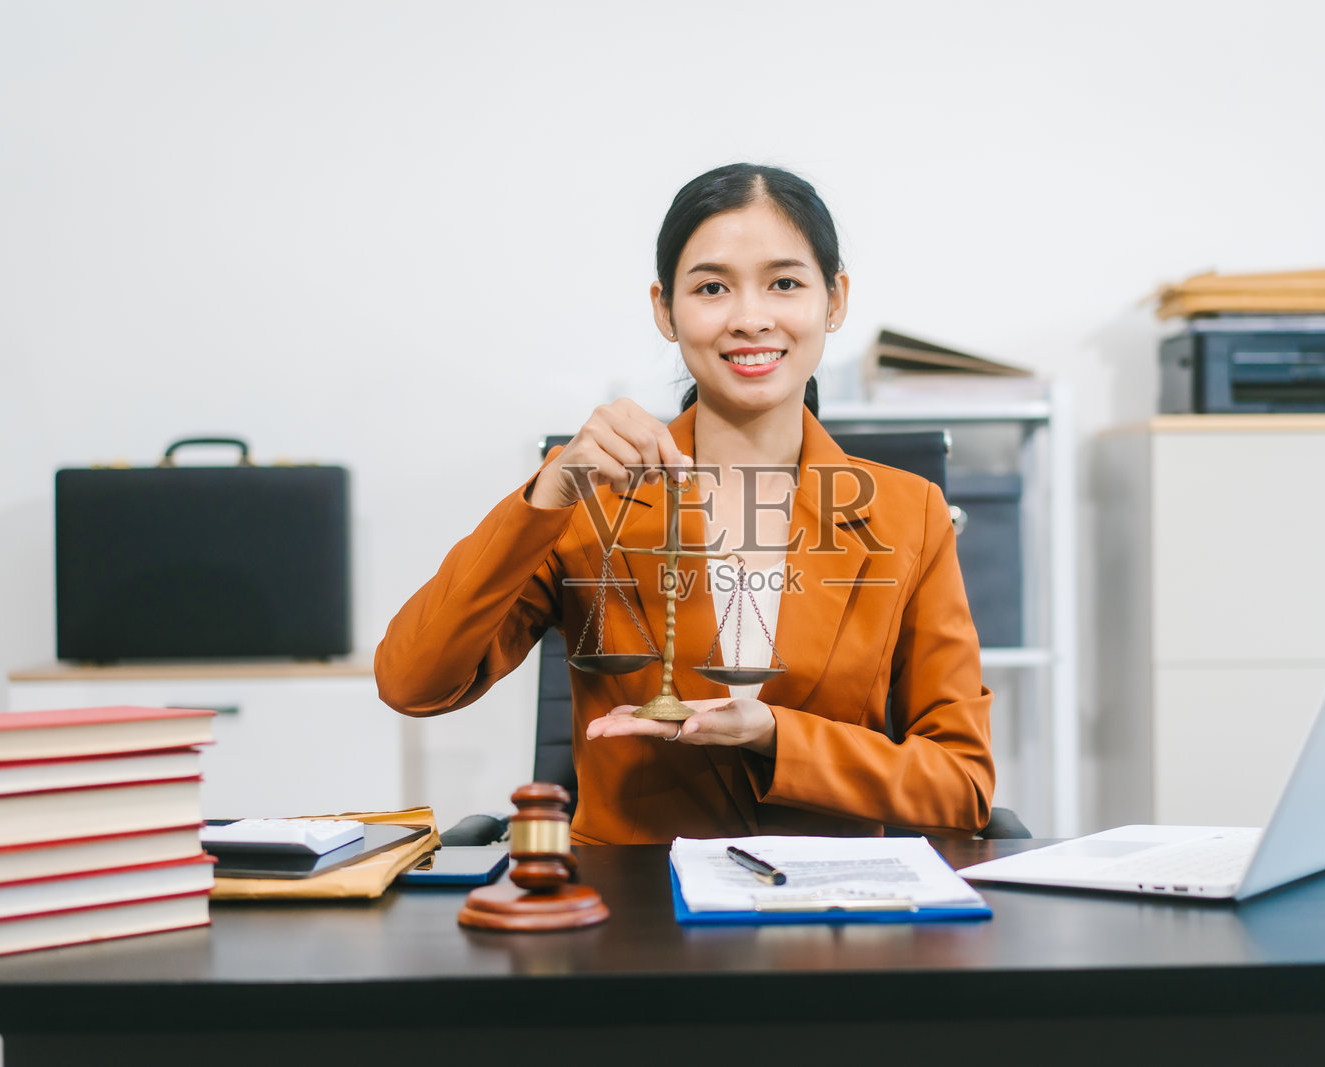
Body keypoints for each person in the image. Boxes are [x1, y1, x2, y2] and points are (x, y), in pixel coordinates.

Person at [376, 163, 994, 844]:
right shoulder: (590, 501)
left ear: (834, 300)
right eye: (712, 288)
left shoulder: (910, 514)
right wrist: (545, 495)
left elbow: (961, 783)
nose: (751, 318)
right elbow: (412, 681)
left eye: (785, 283)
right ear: (665, 309)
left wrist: (775, 735)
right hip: (631, 918)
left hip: (830, 921)